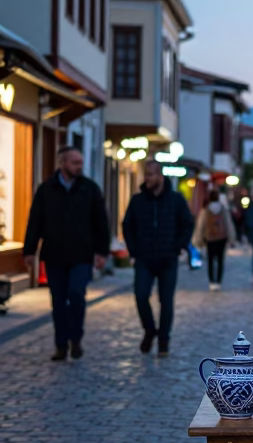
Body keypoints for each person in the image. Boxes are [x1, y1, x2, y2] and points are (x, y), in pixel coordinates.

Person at [23, 145, 110, 361]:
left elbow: (101, 223)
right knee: (58, 300)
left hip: (82, 254)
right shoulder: (46, 189)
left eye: (80, 162)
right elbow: (35, 221)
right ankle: (61, 345)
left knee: (76, 294)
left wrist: (102, 252)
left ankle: (76, 338)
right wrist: (29, 250)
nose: (79, 166)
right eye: (75, 163)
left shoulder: (90, 189)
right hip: (54, 254)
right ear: (62, 163)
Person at [122, 159, 194, 355]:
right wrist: (133, 251)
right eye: (146, 174)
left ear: (160, 176)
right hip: (144, 258)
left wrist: (178, 246)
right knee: (141, 295)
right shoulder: (137, 200)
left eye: (151, 174)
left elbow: (188, 224)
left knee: (166, 301)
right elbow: (127, 226)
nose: (147, 178)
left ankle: (163, 341)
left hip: (167, 258)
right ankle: (149, 331)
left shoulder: (176, 200)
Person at [193, 189, 235, 290]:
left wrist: (197, 239)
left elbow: (200, 225)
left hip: (210, 238)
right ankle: (219, 281)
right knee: (220, 260)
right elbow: (228, 224)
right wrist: (232, 238)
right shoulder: (223, 209)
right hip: (221, 238)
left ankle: (212, 282)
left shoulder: (206, 209)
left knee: (210, 260)